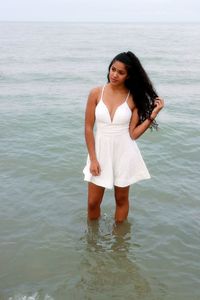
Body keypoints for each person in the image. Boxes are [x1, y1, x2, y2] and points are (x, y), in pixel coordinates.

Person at [83, 51, 164, 223]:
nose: (114, 74)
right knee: (92, 203)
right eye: (113, 69)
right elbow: (89, 128)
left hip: (124, 153)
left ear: (128, 76)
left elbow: (133, 134)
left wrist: (153, 114)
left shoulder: (133, 98)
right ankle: (92, 242)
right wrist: (93, 159)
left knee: (121, 200)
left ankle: (119, 244)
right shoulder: (96, 93)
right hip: (100, 153)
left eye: (121, 72)